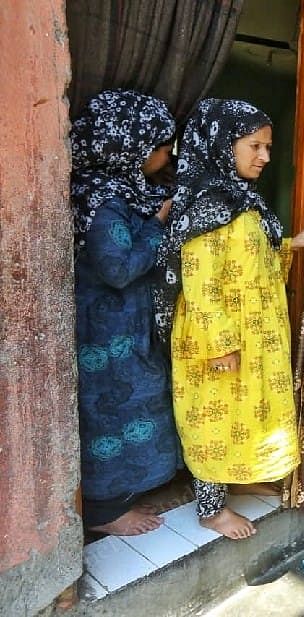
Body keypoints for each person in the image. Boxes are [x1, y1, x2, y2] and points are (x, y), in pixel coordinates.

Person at [154, 99, 304, 540]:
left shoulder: (240, 198)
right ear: (222, 145)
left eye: (267, 147)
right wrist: (221, 344)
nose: (264, 157)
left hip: (253, 332)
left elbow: (252, 259)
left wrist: (291, 244)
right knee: (212, 417)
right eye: (254, 145)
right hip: (217, 336)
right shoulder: (207, 204)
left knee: (245, 411)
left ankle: (242, 473)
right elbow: (201, 281)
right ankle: (210, 509)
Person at [71, 89, 182, 536]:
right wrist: (158, 225)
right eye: (160, 145)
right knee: (110, 415)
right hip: (104, 332)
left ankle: (127, 493)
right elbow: (117, 268)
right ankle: (103, 512)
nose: (165, 154)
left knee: (138, 403)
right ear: (130, 147)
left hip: (128, 326)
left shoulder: (123, 191)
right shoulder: (101, 200)